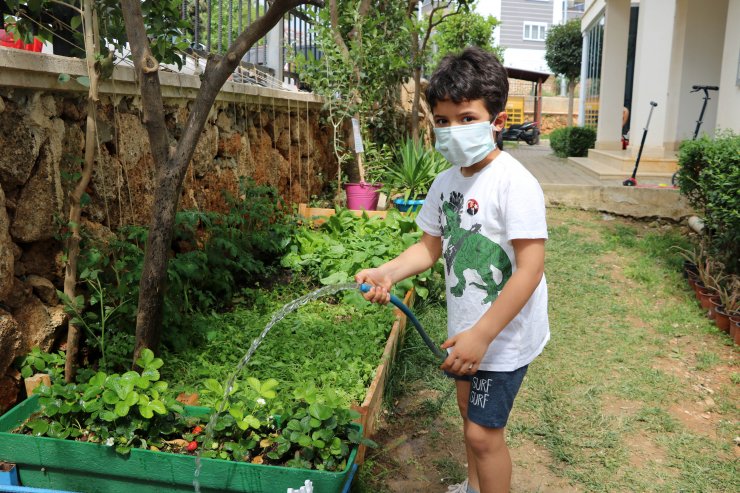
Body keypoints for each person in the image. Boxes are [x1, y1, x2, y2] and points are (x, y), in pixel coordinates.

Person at [355, 46, 549, 493]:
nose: (452, 131)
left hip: (502, 334)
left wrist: (483, 335)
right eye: (442, 121)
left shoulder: (515, 183)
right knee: (468, 413)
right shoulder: (445, 183)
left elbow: (529, 270)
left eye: (465, 118)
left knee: (483, 434)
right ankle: (473, 486)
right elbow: (428, 248)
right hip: (465, 330)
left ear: (497, 122)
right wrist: (387, 272)